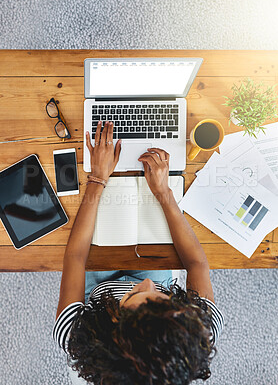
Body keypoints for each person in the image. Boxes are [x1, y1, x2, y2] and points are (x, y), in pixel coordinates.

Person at [53, 121, 224, 385]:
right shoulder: (196, 330)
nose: (147, 283)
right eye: (161, 298)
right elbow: (196, 263)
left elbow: (75, 258)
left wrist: (98, 179)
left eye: (136, 294)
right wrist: (164, 192)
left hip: (96, 294)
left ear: (112, 325)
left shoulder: (76, 336)